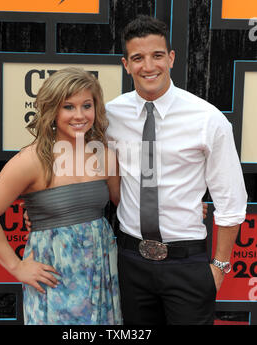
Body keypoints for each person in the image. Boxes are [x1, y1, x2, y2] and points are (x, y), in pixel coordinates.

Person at [104, 15, 247, 325]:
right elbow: (71, 156)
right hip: (130, 260)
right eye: (138, 58)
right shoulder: (110, 115)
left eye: (157, 55)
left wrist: (219, 268)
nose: (148, 66)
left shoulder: (207, 119)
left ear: (170, 58)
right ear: (126, 64)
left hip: (188, 263)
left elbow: (231, 203)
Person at [0, 67, 122, 325]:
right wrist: (17, 267)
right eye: (68, 107)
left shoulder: (104, 155)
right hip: (54, 278)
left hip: (102, 272)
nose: (80, 115)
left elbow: (126, 205)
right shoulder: (32, 160)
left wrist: (180, 208)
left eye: (87, 105)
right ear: (53, 110)